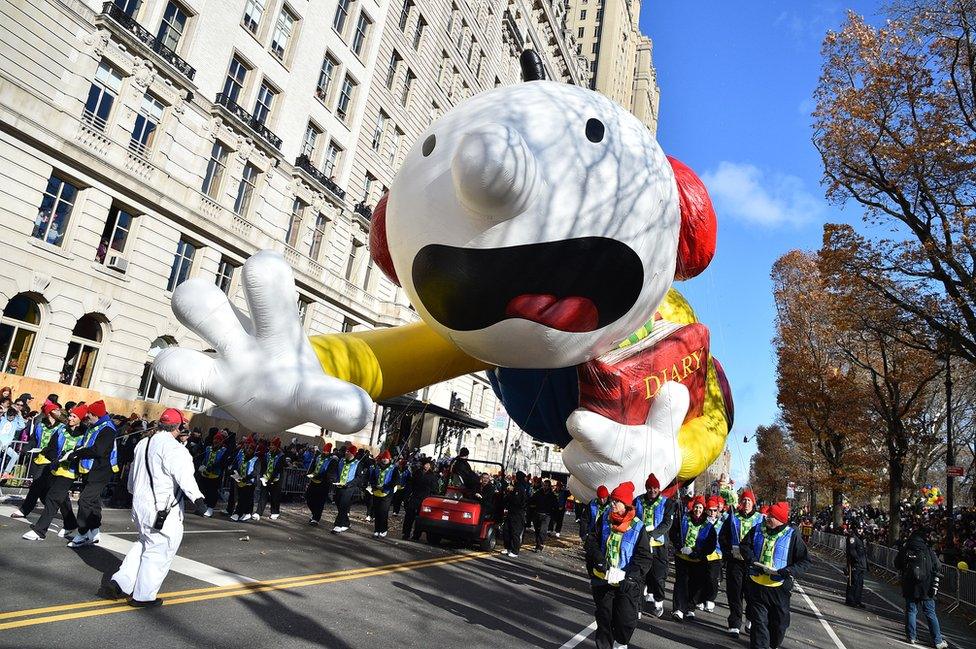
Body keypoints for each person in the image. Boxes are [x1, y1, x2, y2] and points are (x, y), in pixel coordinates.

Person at [103, 408, 206, 607]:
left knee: (144, 543)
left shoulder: (143, 443)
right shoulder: (176, 450)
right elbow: (185, 477)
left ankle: (121, 581)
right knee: (159, 551)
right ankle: (143, 596)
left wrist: (133, 492)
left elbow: (133, 475)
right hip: (163, 508)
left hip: (141, 505)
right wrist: (199, 501)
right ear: (179, 426)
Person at [586, 481, 652, 649]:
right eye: (612, 500)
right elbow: (592, 541)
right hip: (604, 579)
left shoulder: (638, 526)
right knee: (604, 619)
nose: (612, 504)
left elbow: (644, 557)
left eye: (616, 501)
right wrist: (600, 562)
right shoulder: (604, 519)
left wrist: (628, 575)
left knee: (625, 621)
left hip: (626, 583)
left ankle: (621, 642)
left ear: (626, 504)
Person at [741, 501, 811, 649]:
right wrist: (752, 560)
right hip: (757, 584)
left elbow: (805, 561)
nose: (767, 518)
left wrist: (789, 571)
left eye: (771, 516)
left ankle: (772, 645)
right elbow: (744, 546)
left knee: (779, 625)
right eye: (768, 515)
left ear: (780, 519)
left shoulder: (793, 535)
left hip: (779, 588)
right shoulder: (757, 529)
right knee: (759, 622)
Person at [22, 405, 86, 541]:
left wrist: (72, 456)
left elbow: (84, 451)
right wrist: (53, 457)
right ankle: (70, 523)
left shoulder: (84, 434)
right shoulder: (62, 429)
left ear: (81, 419)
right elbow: (51, 446)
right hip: (55, 467)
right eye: (70, 415)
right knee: (61, 498)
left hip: (70, 471)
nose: (70, 418)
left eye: (74, 417)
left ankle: (40, 531)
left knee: (52, 497)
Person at [68, 400, 118, 548]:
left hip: (101, 470)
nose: (87, 416)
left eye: (89, 413)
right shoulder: (95, 426)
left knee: (84, 500)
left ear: (95, 415)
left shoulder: (107, 429)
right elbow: (87, 444)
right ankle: (95, 531)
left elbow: (98, 450)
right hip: (90, 469)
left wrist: (78, 453)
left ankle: (82, 533)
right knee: (94, 501)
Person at [894, 527, 949, 649]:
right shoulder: (927, 549)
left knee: (911, 611)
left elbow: (896, 563)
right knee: (930, 613)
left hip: (909, 585)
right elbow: (937, 566)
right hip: (926, 586)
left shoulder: (906, 548)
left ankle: (911, 636)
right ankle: (937, 640)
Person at [721, 488, 763, 636]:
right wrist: (727, 552)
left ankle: (750, 618)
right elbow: (723, 537)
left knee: (752, 594)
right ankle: (734, 623)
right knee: (735, 593)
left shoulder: (760, 519)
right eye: (744, 500)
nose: (746, 503)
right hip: (735, 561)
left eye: (749, 501)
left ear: (753, 503)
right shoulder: (733, 517)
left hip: (753, 563)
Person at [13, 401, 64, 517]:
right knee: (41, 487)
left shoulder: (62, 428)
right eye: (56, 410)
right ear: (50, 413)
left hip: (51, 460)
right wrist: (26, 448)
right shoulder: (40, 425)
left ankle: (25, 509)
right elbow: (34, 440)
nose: (58, 412)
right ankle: (54, 508)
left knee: (37, 485)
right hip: (38, 459)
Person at [634, 473, 675, 618]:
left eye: (655, 488)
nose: (652, 491)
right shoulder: (638, 500)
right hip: (641, 545)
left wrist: (652, 534)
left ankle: (659, 600)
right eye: (650, 488)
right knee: (639, 575)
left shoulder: (667, 503)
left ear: (659, 489)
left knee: (658, 576)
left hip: (659, 546)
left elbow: (667, 523)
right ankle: (637, 607)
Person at [670, 495, 716, 621]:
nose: (698, 510)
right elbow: (673, 532)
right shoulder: (683, 518)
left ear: (704, 509)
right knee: (681, 583)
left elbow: (711, 544)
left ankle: (690, 607)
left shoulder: (708, 525)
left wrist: (697, 552)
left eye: (700, 507)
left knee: (695, 584)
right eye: (696, 507)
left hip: (698, 560)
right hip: (682, 557)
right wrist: (679, 546)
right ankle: (678, 609)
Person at [332, 444, 365, 534]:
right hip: (339, 486)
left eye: (348, 452)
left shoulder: (357, 463)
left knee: (343, 505)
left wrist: (350, 484)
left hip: (349, 488)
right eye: (346, 451)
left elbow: (359, 477)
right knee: (339, 503)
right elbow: (336, 471)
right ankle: (346, 523)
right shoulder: (341, 461)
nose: (346, 453)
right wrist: (335, 479)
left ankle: (338, 525)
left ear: (352, 454)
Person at [403, 458, 438, 541]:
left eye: (428, 465)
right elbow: (410, 485)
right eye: (425, 464)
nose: (426, 466)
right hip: (415, 497)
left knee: (420, 517)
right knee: (409, 516)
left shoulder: (432, 476)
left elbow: (434, 489)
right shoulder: (417, 473)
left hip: (425, 499)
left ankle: (416, 535)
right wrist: (406, 497)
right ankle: (406, 533)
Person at [701, 495, 726, 612]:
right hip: (703, 554)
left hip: (717, 554)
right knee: (702, 577)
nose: (712, 513)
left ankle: (710, 599)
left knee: (713, 578)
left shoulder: (722, 524)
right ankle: (701, 599)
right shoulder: (702, 523)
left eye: (714, 510)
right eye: (710, 510)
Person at [368, 450, 399, 538]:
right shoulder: (376, 467)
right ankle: (376, 530)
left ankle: (383, 530)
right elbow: (372, 478)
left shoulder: (394, 468)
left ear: (389, 459)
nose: (385, 460)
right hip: (376, 492)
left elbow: (396, 480)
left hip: (387, 493)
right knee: (377, 511)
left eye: (387, 458)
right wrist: (374, 486)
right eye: (383, 458)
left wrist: (386, 487)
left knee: (383, 512)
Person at [197, 430, 228, 516]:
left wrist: (214, 467)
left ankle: (210, 507)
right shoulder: (208, 448)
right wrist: (201, 466)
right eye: (215, 439)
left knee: (212, 492)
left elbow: (222, 462)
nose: (216, 441)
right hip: (205, 473)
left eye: (218, 440)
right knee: (204, 490)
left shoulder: (223, 451)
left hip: (215, 475)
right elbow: (203, 458)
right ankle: (204, 506)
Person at [305, 443, 337, 525]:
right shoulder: (318, 457)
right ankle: (314, 513)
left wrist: (318, 476)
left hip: (323, 483)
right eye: (324, 450)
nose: (325, 452)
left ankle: (316, 518)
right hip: (313, 481)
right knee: (308, 498)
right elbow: (313, 466)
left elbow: (329, 473)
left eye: (326, 451)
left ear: (329, 452)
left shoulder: (332, 460)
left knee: (320, 502)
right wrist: (309, 473)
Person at [257, 436, 287, 521]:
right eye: (270, 444)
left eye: (273, 445)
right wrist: (263, 475)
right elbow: (264, 465)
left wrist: (271, 479)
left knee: (275, 497)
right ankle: (258, 512)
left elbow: (278, 469)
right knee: (263, 495)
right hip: (266, 477)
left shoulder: (281, 456)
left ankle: (275, 512)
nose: (270, 446)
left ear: (276, 446)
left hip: (276, 479)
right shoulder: (267, 454)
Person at [502, 471, 531, 558]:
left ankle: (515, 551)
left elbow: (518, 501)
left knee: (515, 532)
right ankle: (507, 547)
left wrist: (510, 494)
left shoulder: (520, 488)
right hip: (511, 512)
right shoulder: (516, 487)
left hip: (517, 513)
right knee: (506, 530)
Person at [230, 438, 259, 522]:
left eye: (250, 449)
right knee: (243, 498)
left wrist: (246, 478)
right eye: (247, 448)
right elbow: (240, 467)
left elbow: (255, 472)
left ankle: (240, 513)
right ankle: (244, 513)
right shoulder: (243, 457)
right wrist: (235, 473)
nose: (248, 450)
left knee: (245, 498)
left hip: (250, 482)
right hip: (241, 481)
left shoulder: (256, 459)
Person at [529, 479, 558, 552]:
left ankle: (540, 545)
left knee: (543, 531)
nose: (545, 487)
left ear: (549, 486)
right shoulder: (538, 493)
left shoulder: (552, 496)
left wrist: (552, 514)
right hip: (537, 514)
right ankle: (537, 544)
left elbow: (555, 506)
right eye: (544, 485)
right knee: (537, 531)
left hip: (546, 515)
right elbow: (531, 500)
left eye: (546, 486)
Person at [845, 524, 866, 608]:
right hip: (855, 564)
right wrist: (857, 559)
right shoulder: (852, 538)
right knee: (853, 582)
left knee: (860, 583)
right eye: (859, 528)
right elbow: (852, 550)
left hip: (861, 565)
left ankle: (857, 600)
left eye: (862, 528)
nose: (861, 530)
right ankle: (850, 600)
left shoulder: (860, 538)